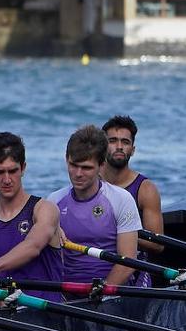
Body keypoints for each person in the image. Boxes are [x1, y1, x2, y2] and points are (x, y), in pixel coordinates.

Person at [0, 132, 63, 302]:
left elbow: (33, 246)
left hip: (42, 315)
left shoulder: (44, 209)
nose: (7, 180)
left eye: (12, 171)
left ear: (23, 168)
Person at [48, 125, 142, 285]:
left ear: (101, 165)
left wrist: (101, 292)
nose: (78, 174)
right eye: (73, 165)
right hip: (67, 288)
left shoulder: (121, 200)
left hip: (112, 288)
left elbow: (127, 263)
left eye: (86, 168)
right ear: (66, 159)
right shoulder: (54, 201)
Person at [100, 115, 164, 256]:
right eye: (112, 141)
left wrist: (113, 235)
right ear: (102, 147)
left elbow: (157, 244)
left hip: (132, 265)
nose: (119, 147)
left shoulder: (146, 189)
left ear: (133, 150)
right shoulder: (88, 180)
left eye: (125, 142)